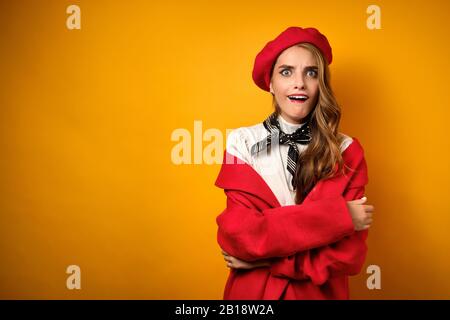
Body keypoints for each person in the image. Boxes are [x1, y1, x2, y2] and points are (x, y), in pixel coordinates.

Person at [214, 26, 375, 300]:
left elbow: (349, 256)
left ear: (321, 83)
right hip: (254, 297)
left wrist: (269, 259)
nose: (299, 82)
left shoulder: (348, 151)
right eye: (286, 72)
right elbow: (239, 235)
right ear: (271, 83)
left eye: (311, 73)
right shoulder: (241, 143)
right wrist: (338, 217)